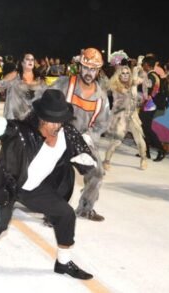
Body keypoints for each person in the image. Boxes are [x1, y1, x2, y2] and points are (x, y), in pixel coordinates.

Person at [0, 90, 96, 293]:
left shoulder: (68, 133)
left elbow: (84, 157)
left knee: (65, 213)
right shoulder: (21, 131)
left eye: (60, 121)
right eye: (51, 121)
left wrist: (87, 159)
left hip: (34, 187)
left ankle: (63, 262)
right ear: (40, 118)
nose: (56, 126)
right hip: (7, 184)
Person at [50, 48, 110, 221]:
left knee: (97, 172)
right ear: (80, 67)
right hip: (59, 135)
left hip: (83, 139)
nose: (89, 73)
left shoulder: (101, 97)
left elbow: (103, 123)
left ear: (98, 71)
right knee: (57, 171)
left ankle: (85, 208)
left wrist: (89, 137)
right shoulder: (64, 84)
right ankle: (52, 210)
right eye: (86, 68)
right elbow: (44, 100)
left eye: (93, 69)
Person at [103, 65, 148, 170]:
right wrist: (135, 76)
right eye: (123, 73)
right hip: (120, 115)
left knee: (139, 139)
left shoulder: (132, 83)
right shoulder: (115, 85)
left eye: (127, 73)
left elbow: (144, 79)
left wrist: (140, 69)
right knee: (117, 141)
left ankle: (144, 159)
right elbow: (129, 93)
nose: (125, 75)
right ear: (119, 75)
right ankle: (107, 160)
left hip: (132, 114)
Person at [0, 53, 47, 121]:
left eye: (32, 60)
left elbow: (46, 96)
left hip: (33, 119)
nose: (30, 61)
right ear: (22, 63)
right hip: (14, 119)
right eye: (27, 59)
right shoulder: (14, 75)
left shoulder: (39, 79)